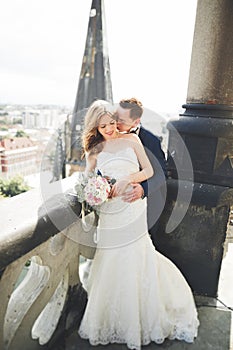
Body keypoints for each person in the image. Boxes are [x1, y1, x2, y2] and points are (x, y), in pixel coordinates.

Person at [78, 99, 199, 349]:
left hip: (132, 208)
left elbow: (153, 172)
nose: (113, 127)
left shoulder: (138, 140)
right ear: (96, 127)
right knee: (110, 260)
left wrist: (130, 183)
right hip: (110, 212)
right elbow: (88, 179)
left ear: (135, 121)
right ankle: (109, 319)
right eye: (107, 124)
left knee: (134, 256)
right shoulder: (95, 150)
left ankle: (141, 317)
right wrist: (98, 191)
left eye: (115, 122)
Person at [115, 98, 167, 245]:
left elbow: (161, 174)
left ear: (136, 122)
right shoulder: (111, 135)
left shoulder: (151, 141)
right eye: (115, 118)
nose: (116, 124)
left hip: (145, 206)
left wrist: (143, 190)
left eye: (122, 121)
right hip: (118, 205)